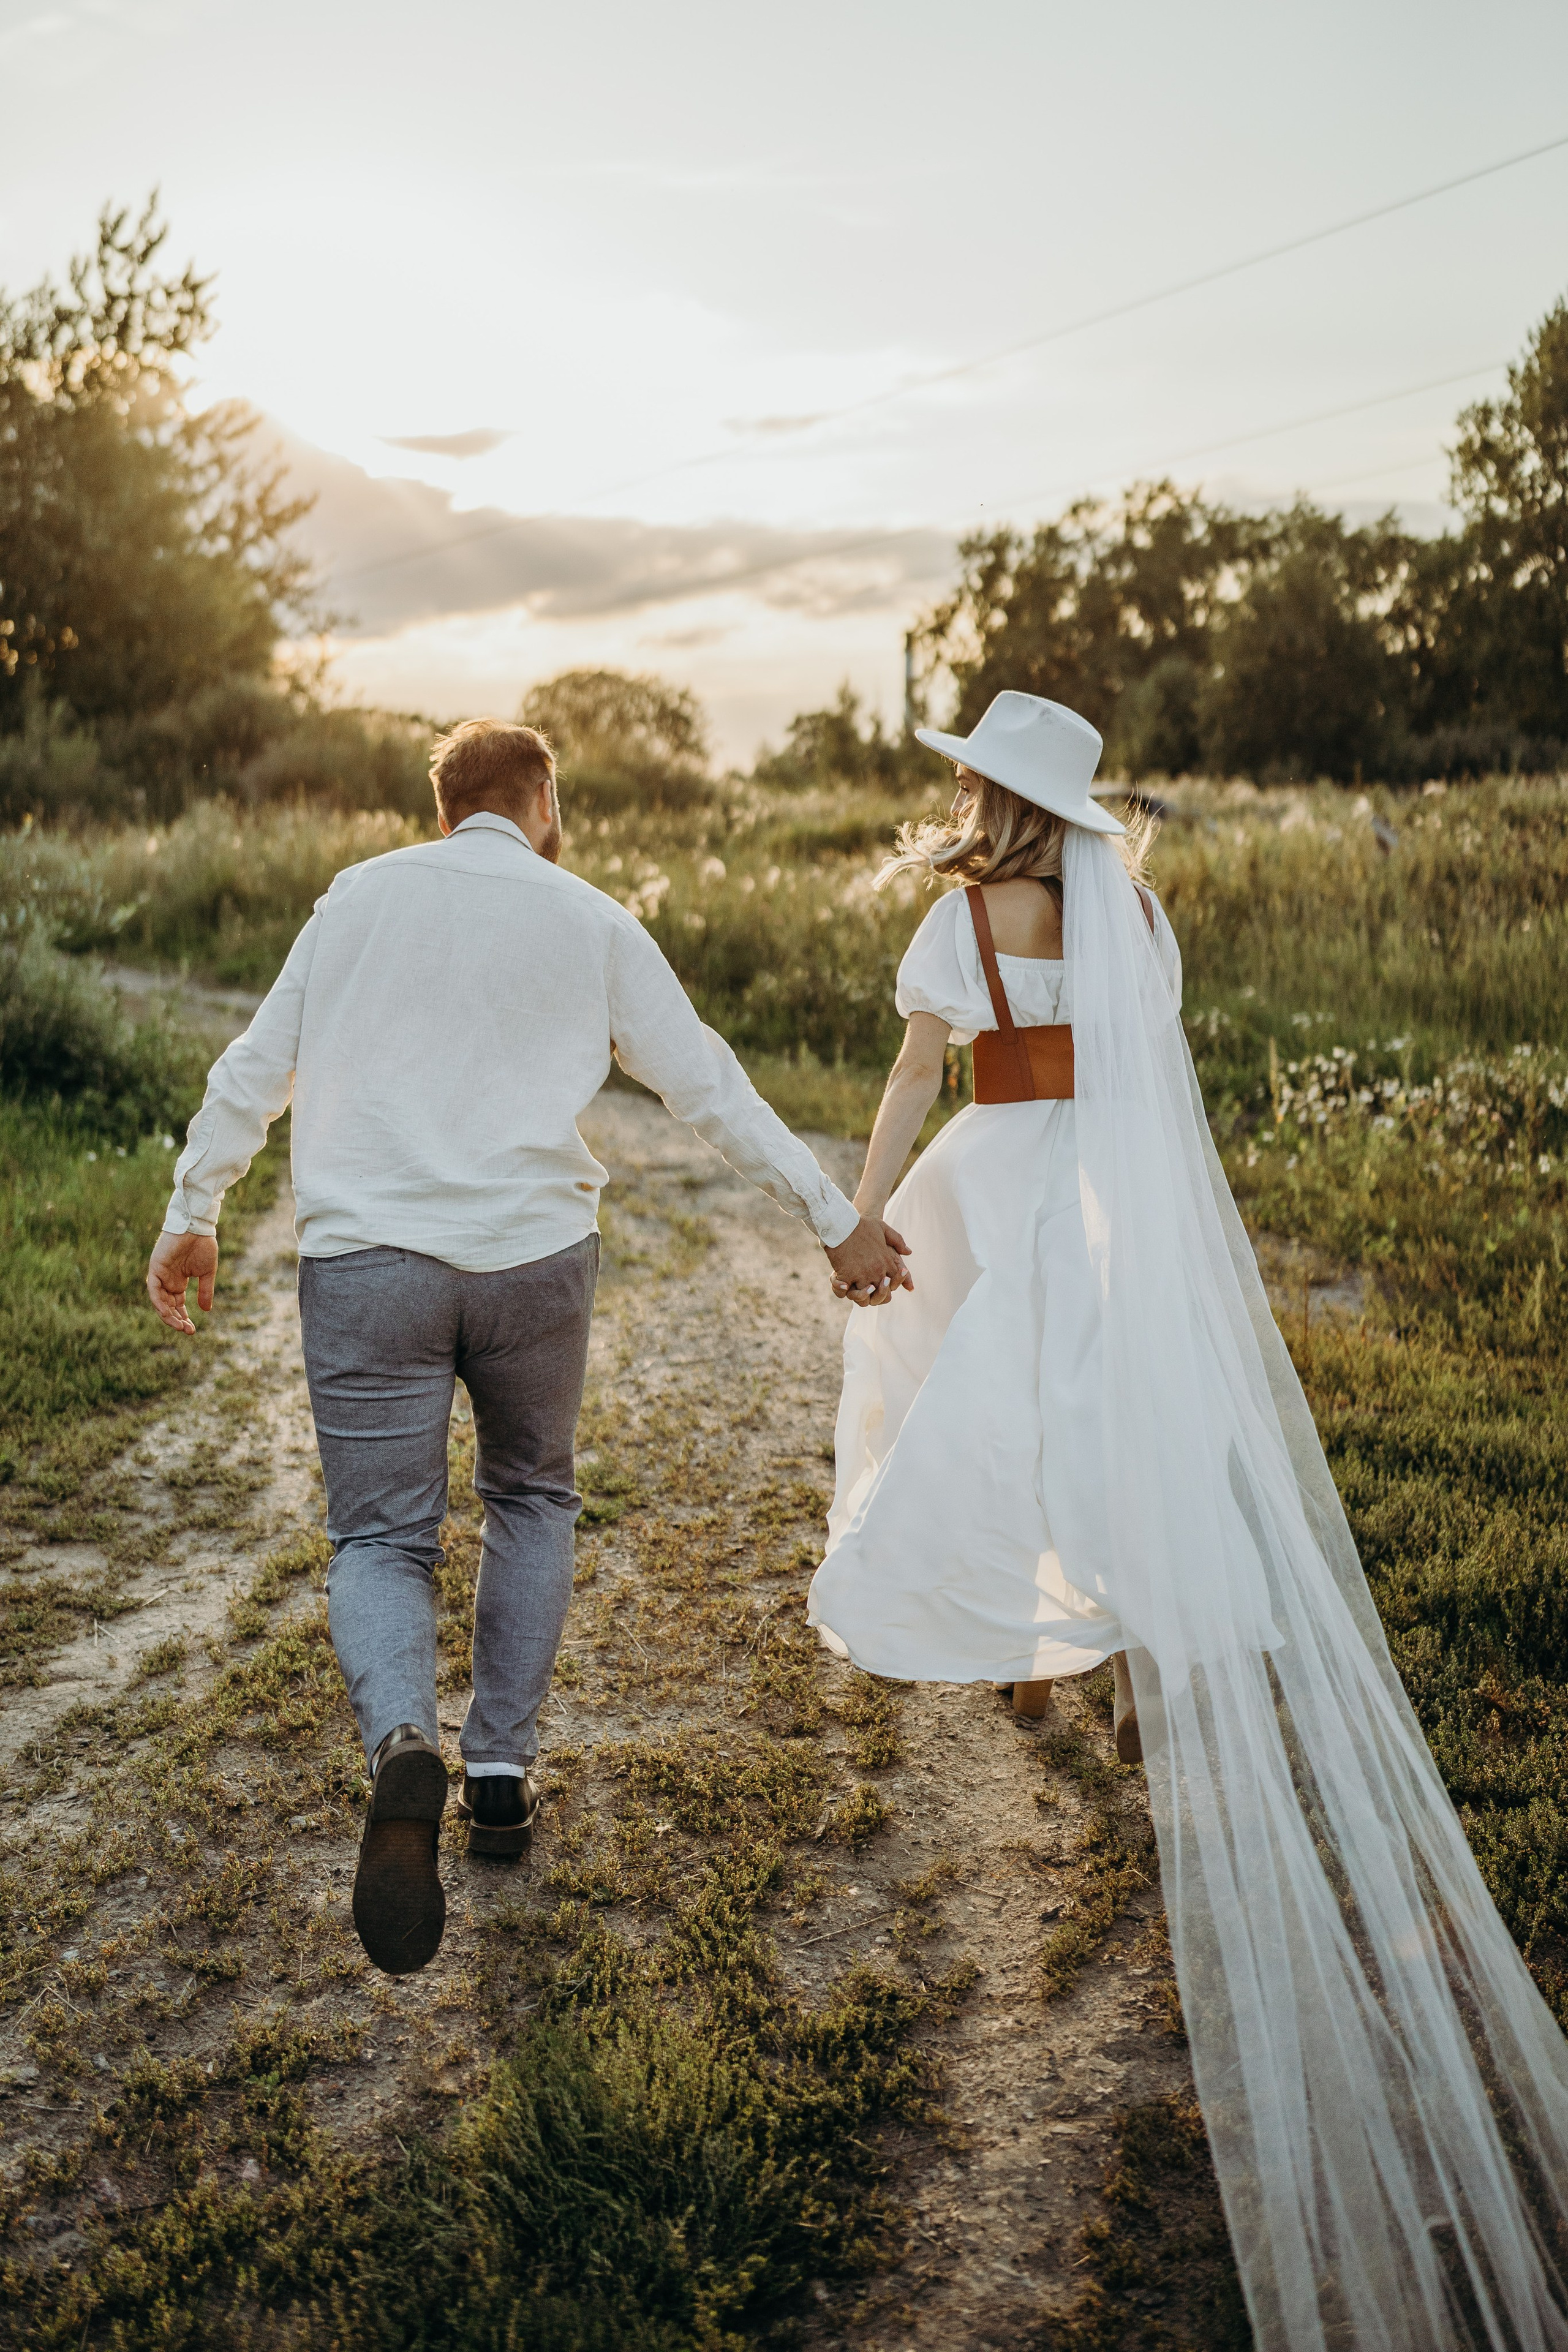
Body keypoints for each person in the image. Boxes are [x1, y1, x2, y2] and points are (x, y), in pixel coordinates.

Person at [809, 691, 1568, 2352]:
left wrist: (863, 1210)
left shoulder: (962, 921)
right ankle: (1115, 1650)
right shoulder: (1136, 918)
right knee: (1108, 1419)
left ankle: (1032, 1647)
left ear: (990, 795)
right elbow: (1150, 1090)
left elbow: (918, 1073)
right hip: (1112, 1207)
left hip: (994, 1181)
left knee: (984, 1414)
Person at [145, 718, 908, 1980]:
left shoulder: (355, 899)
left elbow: (252, 1070)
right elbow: (707, 1086)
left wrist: (195, 1210)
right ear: (541, 799)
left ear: (444, 808)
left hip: (370, 1267)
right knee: (531, 1497)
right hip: (533, 1266)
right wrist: (835, 1219)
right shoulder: (591, 918)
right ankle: (497, 1772)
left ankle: (405, 1741)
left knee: (379, 1537)